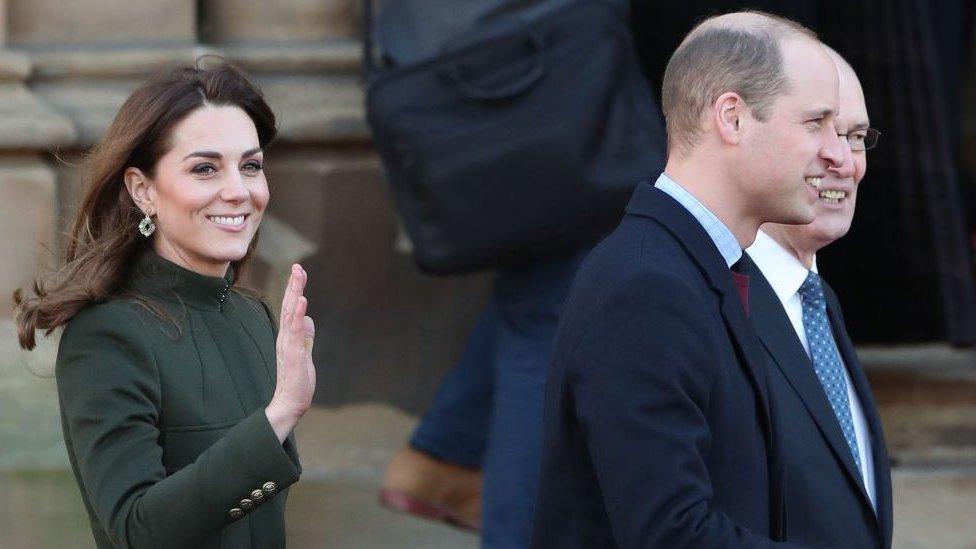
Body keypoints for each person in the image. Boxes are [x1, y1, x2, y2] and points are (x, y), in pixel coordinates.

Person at [531, 11, 846, 548]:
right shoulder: (645, 285)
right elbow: (671, 533)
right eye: (814, 124)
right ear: (733, 118)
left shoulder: (701, 267)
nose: (838, 154)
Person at [13, 64, 316, 548]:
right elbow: (137, 531)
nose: (239, 190)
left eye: (251, 165)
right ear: (143, 190)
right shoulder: (107, 336)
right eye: (205, 168)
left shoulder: (253, 319)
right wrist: (278, 415)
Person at [745, 48, 893, 547]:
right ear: (738, 126)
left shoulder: (815, 297)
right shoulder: (698, 297)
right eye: (818, 129)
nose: (845, 162)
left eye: (855, 137)